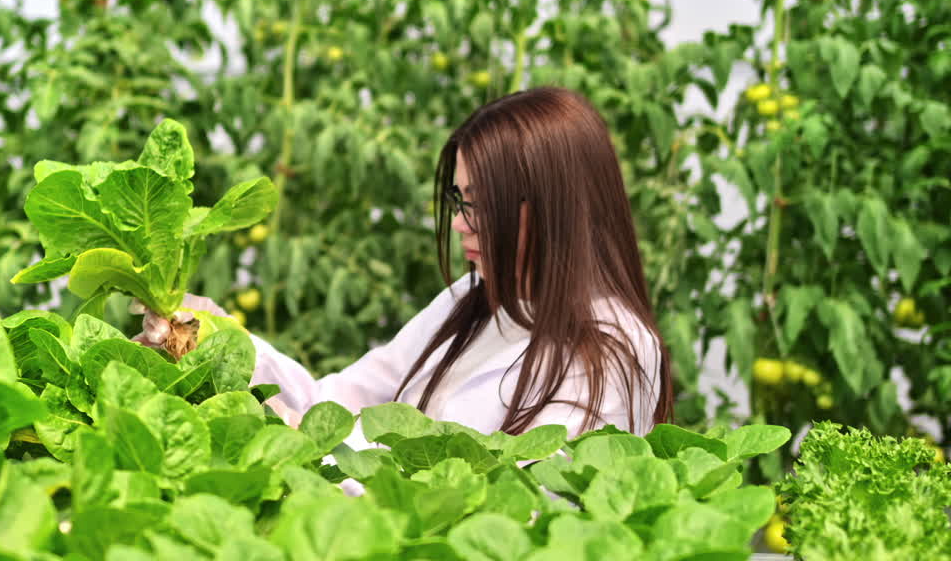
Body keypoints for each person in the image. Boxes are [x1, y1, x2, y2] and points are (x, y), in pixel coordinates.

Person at [137, 86, 672, 442]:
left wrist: (300, 445)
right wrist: (210, 337)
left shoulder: (612, 351)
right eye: (461, 203)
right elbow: (335, 403)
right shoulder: (479, 298)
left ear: (556, 205)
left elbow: (512, 516)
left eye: (483, 204)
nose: (463, 224)